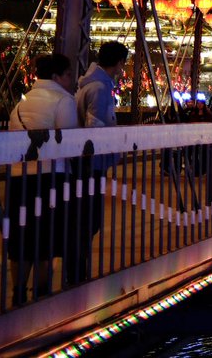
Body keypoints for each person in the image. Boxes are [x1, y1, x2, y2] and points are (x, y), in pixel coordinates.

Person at [7, 52, 78, 305]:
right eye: (69, 74)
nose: (72, 79)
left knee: (21, 235)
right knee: (47, 236)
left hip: (19, 177)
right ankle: (41, 293)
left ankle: (18, 291)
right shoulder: (63, 100)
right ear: (57, 76)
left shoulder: (21, 103)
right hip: (51, 177)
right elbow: (69, 142)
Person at [73, 41, 128, 283]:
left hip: (88, 163)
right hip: (90, 165)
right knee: (88, 220)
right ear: (119, 63)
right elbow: (95, 127)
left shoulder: (90, 84)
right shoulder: (100, 88)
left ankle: (77, 270)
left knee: (86, 219)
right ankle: (77, 272)